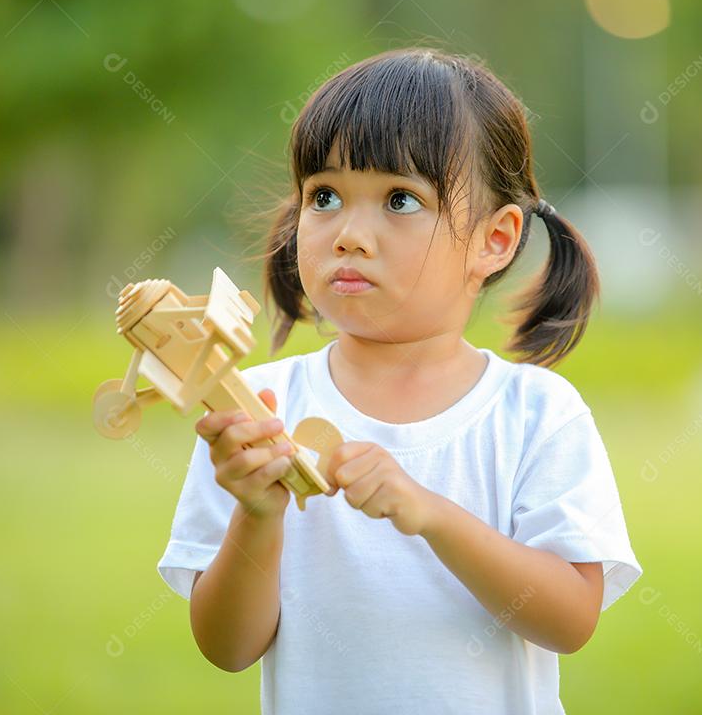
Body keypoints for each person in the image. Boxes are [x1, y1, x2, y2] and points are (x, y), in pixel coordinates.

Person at [157, 46, 643, 714]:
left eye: (400, 199)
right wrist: (257, 513)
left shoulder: (535, 413)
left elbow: (569, 619)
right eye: (324, 196)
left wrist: (433, 515)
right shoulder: (258, 409)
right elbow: (227, 647)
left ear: (495, 240)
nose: (350, 235)